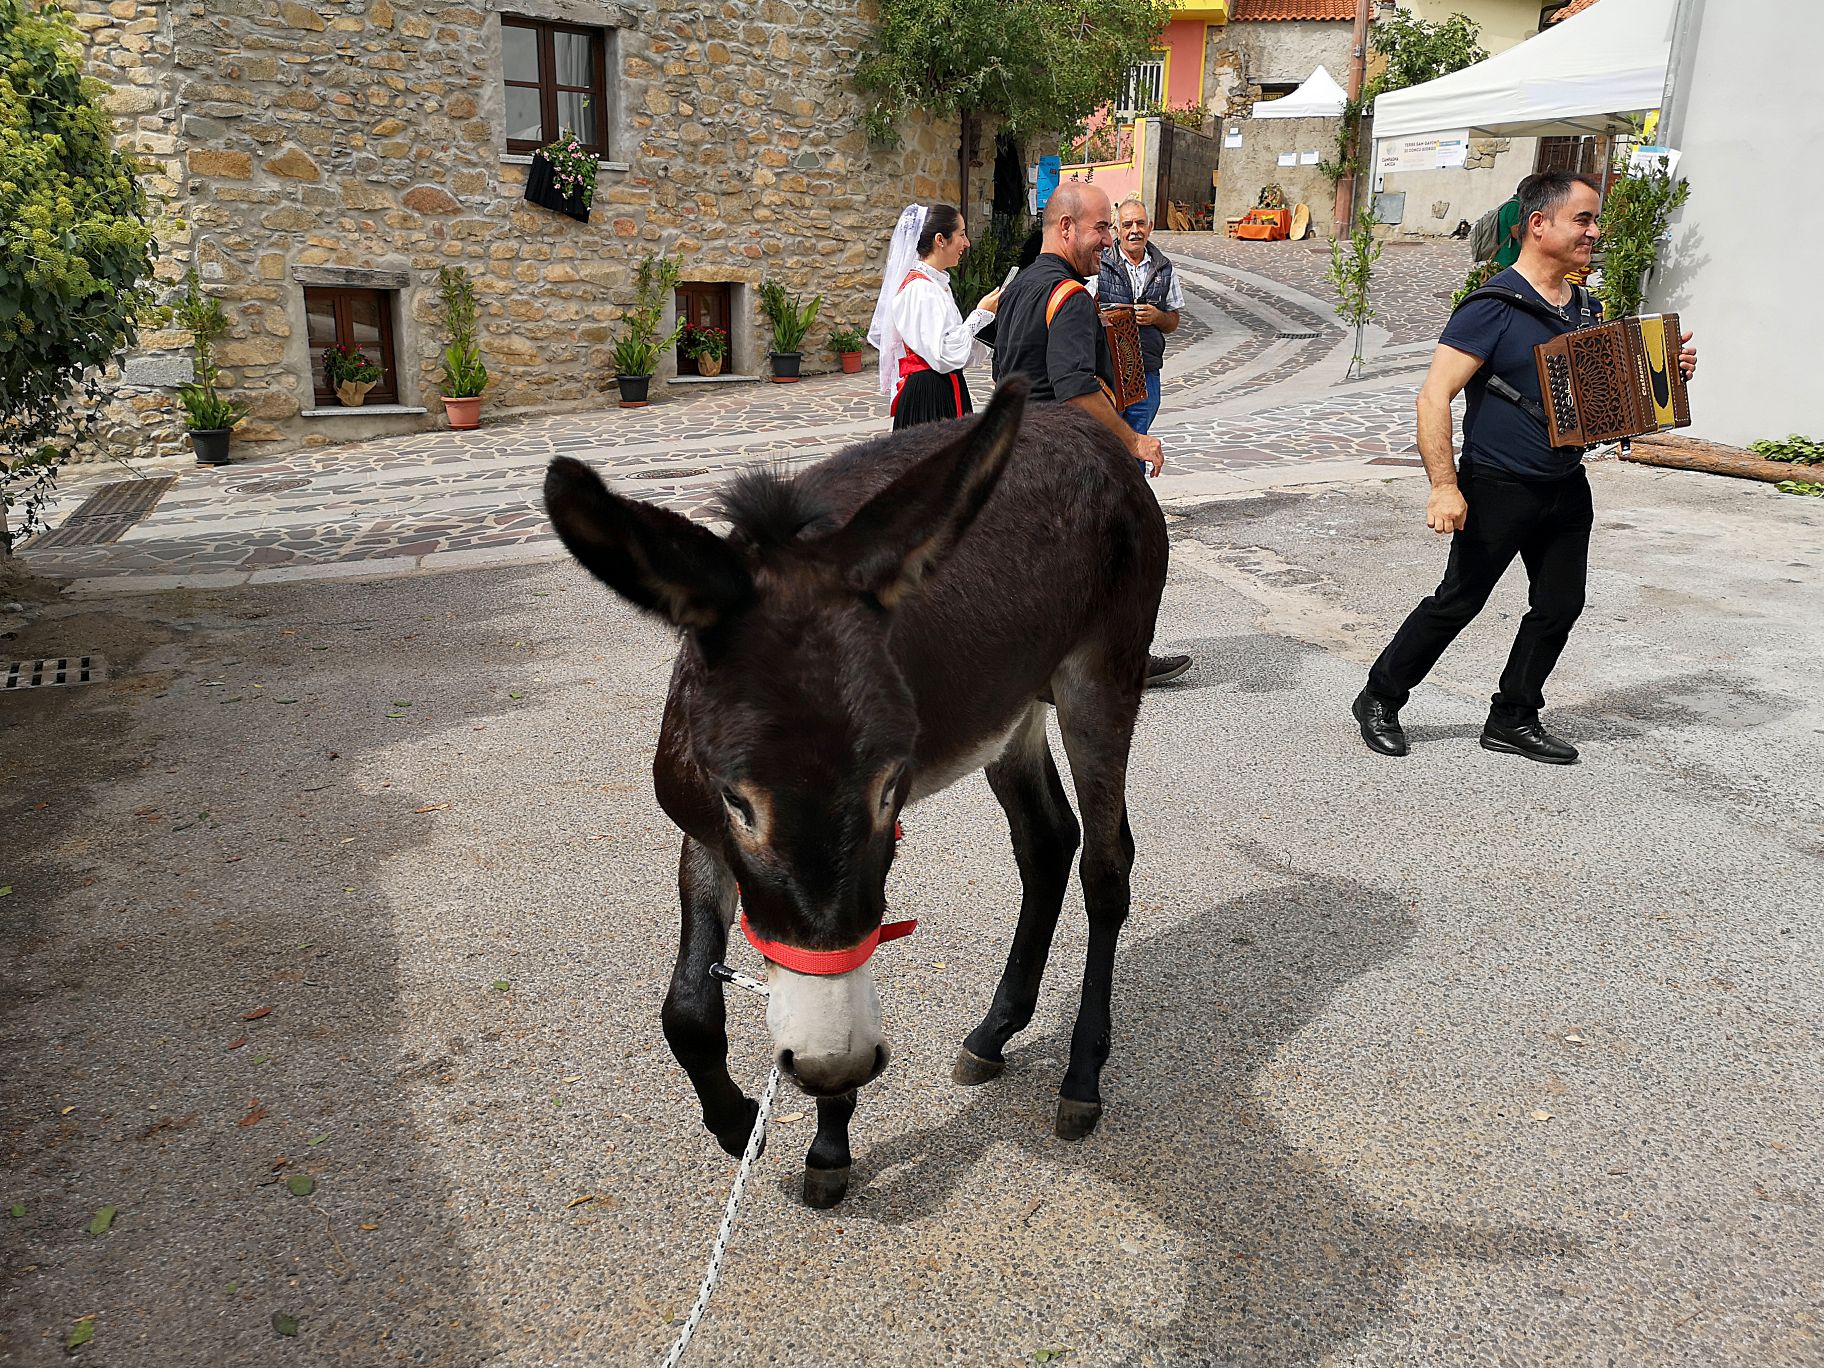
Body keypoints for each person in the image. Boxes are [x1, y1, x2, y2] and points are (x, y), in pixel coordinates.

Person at [1352, 170, 1698, 764]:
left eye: (1595, 219)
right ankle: (1380, 697)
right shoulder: (1490, 308)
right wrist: (1443, 486)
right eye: (1583, 219)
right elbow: (1434, 397)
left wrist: (1663, 375)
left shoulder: (1584, 306)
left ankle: (1513, 716)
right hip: (1497, 483)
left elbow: (1596, 399)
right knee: (1458, 602)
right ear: (1538, 226)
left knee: (1560, 605)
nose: (1595, 230)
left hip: (1565, 484)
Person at [992, 181, 1190, 687]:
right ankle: (1118, 663)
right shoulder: (1070, 297)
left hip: (1017, 451)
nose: (1108, 240)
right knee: (1134, 550)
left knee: (1050, 569)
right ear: (1065, 227)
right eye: (1101, 227)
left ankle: (1048, 663)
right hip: (1060, 460)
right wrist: (1135, 441)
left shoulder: (1017, 288)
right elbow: (1075, 387)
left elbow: (1006, 365)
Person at [867, 204, 1001, 429]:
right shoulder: (920, 289)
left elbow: (958, 353)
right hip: (929, 395)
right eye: (962, 234)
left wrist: (987, 320)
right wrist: (980, 315)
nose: (966, 243)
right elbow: (943, 353)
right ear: (940, 240)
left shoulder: (934, 284)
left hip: (943, 386)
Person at [1096, 196, 1183, 436]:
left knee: (1138, 439)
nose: (1135, 231)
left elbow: (1173, 320)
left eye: (1140, 224)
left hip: (1147, 371)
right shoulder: (1100, 263)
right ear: (1117, 229)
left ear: (1150, 227)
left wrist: (1157, 317)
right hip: (1109, 371)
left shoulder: (1164, 268)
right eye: (1127, 225)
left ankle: (1135, 476)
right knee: (1108, 441)